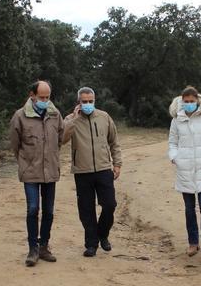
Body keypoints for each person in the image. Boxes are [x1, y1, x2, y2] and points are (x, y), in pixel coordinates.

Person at [62, 87, 122, 257]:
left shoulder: (104, 117)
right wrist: (73, 119)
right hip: (82, 171)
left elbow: (114, 142)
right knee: (86, 210)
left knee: (110, 205)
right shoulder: (70, 119)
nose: (88, 104)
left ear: (94, 101)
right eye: (84, 101)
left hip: (103, 169)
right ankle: (91, 244)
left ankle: (102, 234)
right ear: (78, 102)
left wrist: (117, 163)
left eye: (91, 101)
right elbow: (63, 139)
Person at [9, 80, 64, 267]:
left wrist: (51, 158)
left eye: (48, 97)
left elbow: (59, 139)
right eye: (41, 97)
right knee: (33, 209)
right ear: (32, 95)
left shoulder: (55, 114)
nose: (45, 101)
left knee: (49, 210)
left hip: (50, 171)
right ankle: (32, 249)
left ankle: (44, 247)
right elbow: (15, 144)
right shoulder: (20, 116)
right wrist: (26, 161)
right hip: (30, 170)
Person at [168, 86, 201, 260]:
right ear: (182, 101)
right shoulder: (177, 119)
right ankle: (193, 242)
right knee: (189, 209)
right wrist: (175, 157)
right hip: (185, 170)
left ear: (198, 100)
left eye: (192, 101)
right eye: (186, 101)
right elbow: (172, 142)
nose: (189, 104)